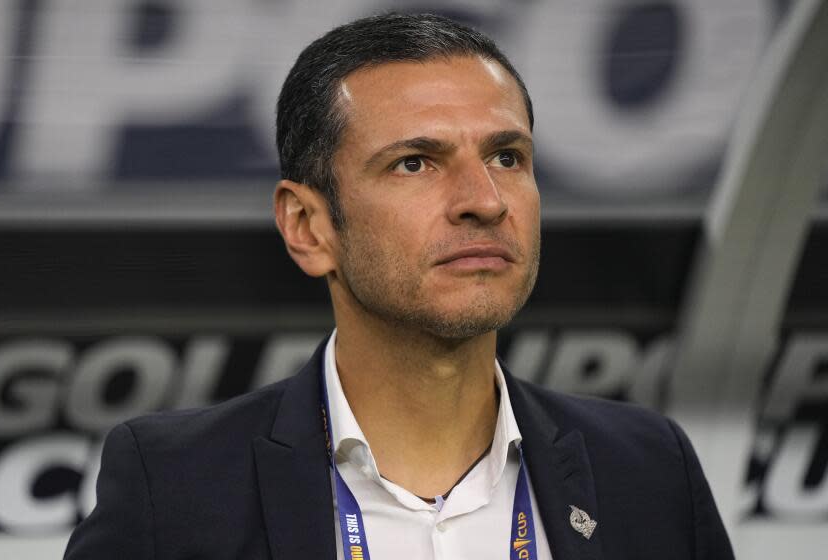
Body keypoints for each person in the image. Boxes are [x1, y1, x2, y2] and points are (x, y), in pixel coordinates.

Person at [64, 12, 734, 560]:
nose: (485, 200)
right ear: (308, 226)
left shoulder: (648, 470)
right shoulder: (176, 487)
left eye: (507, 157)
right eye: (415, 163)